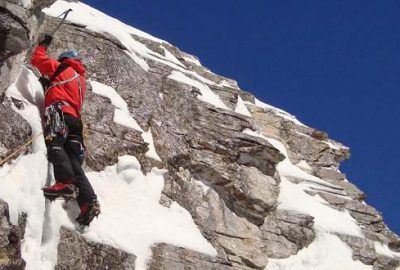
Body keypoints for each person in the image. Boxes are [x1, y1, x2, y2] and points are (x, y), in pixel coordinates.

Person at [31, 34, 100, 226]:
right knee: (72, 159)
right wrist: (50, 86)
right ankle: (88, 201)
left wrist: (43, 45)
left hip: (60, 112)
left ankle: (66, 182)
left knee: (55, 142)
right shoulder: (80, 80)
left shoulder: (61, 67)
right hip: (75, 121)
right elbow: (64, 90)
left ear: (64, 59)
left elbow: (37, 59)